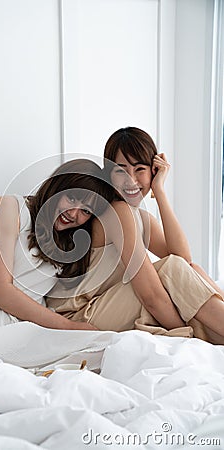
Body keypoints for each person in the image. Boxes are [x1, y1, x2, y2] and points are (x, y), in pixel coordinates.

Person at [46, 127, 224, 344]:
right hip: (79, 315)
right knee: (170, 272)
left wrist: (159, 191)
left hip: (106, 304)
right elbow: (151, 296)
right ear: (108, 174)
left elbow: (184, 259)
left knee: (192, 271)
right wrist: (187, 337)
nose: (130, 180)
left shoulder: (139, 216)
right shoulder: (117, 211)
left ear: (154, 171)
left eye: (140, 169)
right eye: (120, 170)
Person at [0, 158, 112, 336]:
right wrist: (68, 327)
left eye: (86, 210)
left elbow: (128, 222)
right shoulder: (11, 208)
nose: (72, 214)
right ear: (56, 188)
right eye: (71, 198)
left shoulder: (70, 243)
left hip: (24, 327)